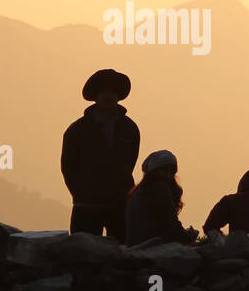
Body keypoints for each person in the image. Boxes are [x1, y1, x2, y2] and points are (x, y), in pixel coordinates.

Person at [60, 69, 140, 239]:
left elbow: (130, 162)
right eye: (104, 91)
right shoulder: (77, 130)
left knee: (122, 255)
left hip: (120, 203)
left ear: (118, 96)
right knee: (83, 256)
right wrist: (81, 192)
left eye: (112, 91)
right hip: (86, 205)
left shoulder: (130, 129)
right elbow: (68, 167)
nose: (108, 96)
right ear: (95, 96)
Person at [125, 150, 197, 246]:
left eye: (171, 171)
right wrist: (189, 235)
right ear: (153, 172)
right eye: (164, 170)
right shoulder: (159, 188)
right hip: (151, 246)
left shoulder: (137, 192)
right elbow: (172, 225)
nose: (168, 175)